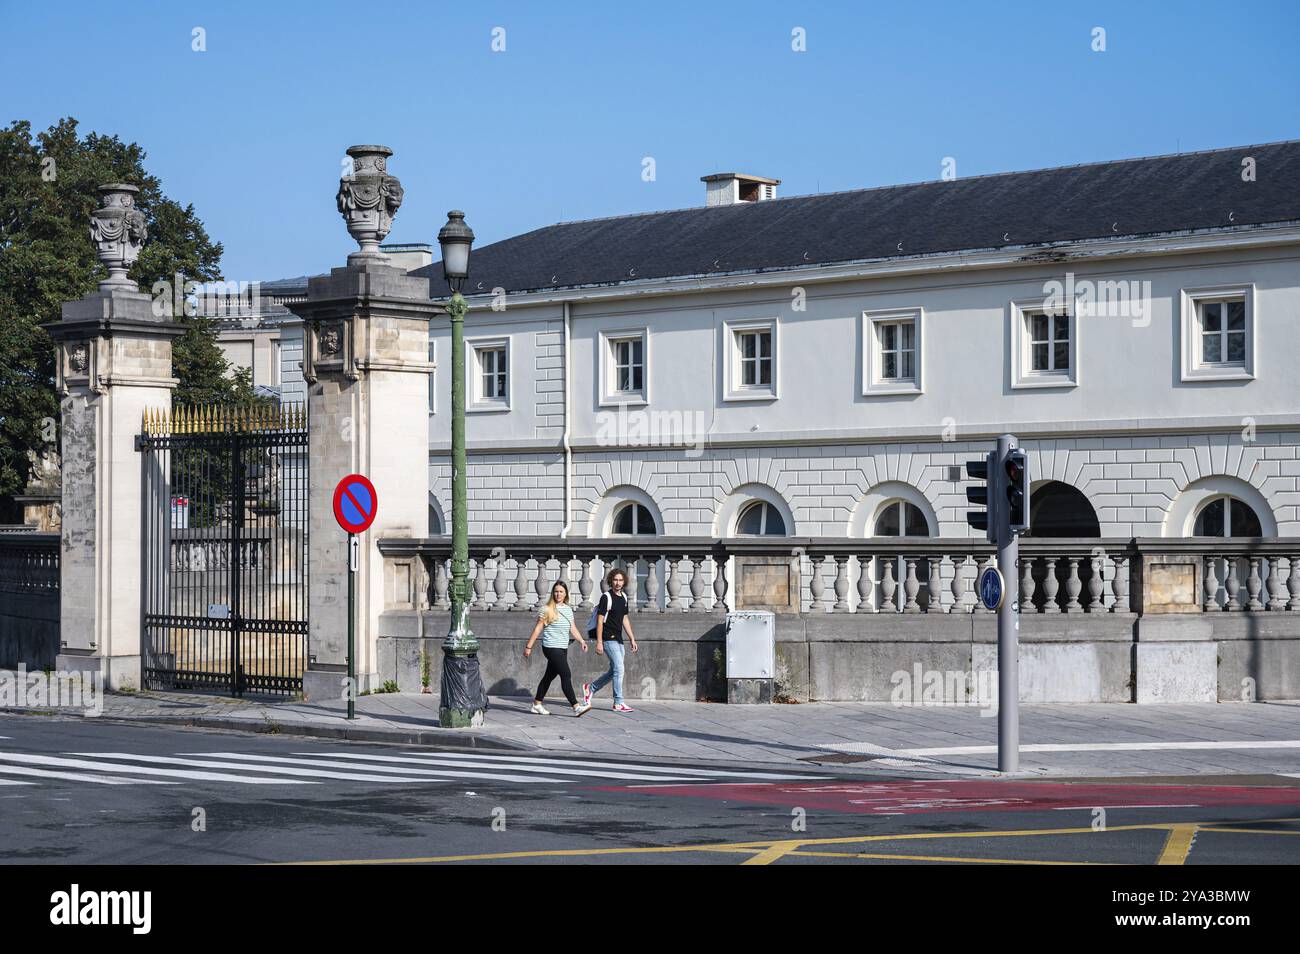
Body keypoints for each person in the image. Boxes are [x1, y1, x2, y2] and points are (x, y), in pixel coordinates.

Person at [524, 581, 592, 716]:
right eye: (556, 591)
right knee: (566, 674)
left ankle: (536, 704)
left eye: (561, 591)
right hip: (551, 647)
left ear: (565, 593)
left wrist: (581, 641)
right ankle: (576, 707)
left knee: (549, 676)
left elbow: (572, 628)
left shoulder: (568, 609)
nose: (558, 594)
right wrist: (528, 646)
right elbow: (538, 628)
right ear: (552, 593)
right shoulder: (547, 609)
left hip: (562, 647)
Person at [583, 568, 639, 712]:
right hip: (608, 638)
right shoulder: (606, 597)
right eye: (615, 580)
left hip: (619, 639)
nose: (618, 583)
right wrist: (599, 642)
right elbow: (600, 621)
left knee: (614, 670)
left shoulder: (624, 598)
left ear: (624, 582)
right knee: (619, 669)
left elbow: (624, 619)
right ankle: (618, 702)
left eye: (620, 580)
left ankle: (590, 688)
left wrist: (632, 638)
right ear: (611, 581)